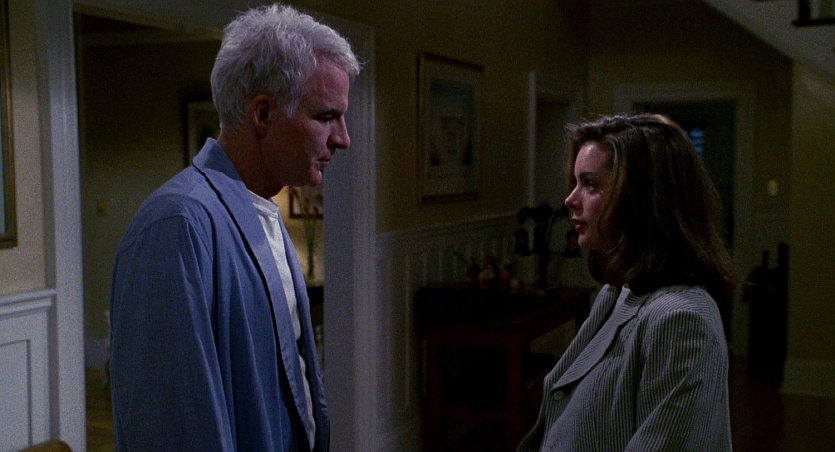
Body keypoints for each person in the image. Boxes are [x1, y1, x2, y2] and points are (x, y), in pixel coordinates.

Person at [109, 4, 360, 451]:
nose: (343, 138)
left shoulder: (261, 210)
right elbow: (171, 428)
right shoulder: (178, 225)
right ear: (263, 114)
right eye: (326, 117)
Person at [518, 113, 736, 451]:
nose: (570, 199)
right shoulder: (618, 291)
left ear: (642, 198)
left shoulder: (682, 319)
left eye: (590, 184)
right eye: (575, 182)